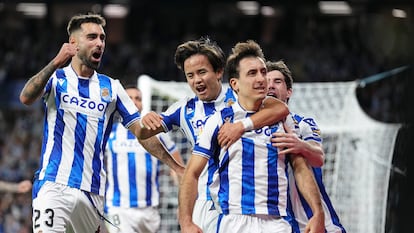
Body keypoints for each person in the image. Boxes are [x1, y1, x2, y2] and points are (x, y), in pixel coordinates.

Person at [19, 13, 184, 233]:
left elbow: (141, 133)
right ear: (73, 43)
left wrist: (176, 166)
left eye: (102, 38)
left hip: (93, 193)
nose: (100, 43)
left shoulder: (112, 88)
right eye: (92, 37)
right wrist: (56, 61)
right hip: (53, 185)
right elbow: (26, 97)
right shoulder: (56, 78)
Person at [138, 37, 289, 232]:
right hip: (203, 200)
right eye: (190, 75)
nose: (196, 80)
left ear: (218, 72)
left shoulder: (239, 96)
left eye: (202, 72)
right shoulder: (184, 109)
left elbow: (279, 108)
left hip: (241, 203)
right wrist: (175, 166)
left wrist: (241, 126)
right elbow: (143, 135)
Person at [178, 40, 325, 233]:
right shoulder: (218, 121)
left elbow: (299, 166)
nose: (262, 79)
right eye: (252, 73)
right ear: (235, 84)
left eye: (263, 71)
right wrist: (186, 221)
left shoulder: (282, 119)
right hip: (235, 221)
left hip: (277, 221)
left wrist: (318, 212)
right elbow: (192, 173)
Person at [266, 60, 346, 233]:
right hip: (277, 222)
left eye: (277, 81)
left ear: (289, 92)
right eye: (266, 82)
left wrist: (300, 145)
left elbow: (319, 158)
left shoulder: (303, 123)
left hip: (314, 220)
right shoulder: (253, 128)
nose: (270, 86)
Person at [104, 85, 184, 233]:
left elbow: (177, 168)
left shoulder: (157, 133)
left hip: (150, 210)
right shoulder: (109, 133)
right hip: (119, 208)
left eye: (138, 98)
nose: (134, 102)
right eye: (129, 99)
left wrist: (183, 203)